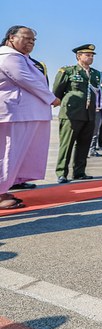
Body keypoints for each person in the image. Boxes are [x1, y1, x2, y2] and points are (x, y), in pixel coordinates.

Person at [0, 26, 60, 209]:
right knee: (8, 153)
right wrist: (52, 98)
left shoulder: (21, 58)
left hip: (24, 114)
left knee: (15, 154)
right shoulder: (8, 57)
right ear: (11, 37)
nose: (30, 43)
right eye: (26, 38)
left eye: (33, 40)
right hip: (15, 114)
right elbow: (27, 80)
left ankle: (3, 188)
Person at [52, 44, 102, 184]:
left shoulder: (96, 74)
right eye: (87, 55)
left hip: (89, 114)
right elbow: (57, 92)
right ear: (78, 56)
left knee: (84, 144)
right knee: (67, 144)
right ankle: (62, 173)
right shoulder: (68, 71)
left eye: (92, 55)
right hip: (72, 114)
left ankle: (79, 172)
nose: (90, 57)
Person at [89, 75, 102, 157]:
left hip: (101, 111)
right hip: (95, 111)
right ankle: (91, 149)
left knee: (96, 131)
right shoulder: (94, 88)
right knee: (94, 132)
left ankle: (93, 148)